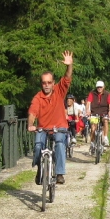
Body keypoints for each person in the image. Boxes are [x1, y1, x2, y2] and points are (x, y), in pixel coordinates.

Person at [28, 51, 74, 185]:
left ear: (53, 82)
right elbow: (32, 113)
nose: (46, 85)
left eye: (49, 82)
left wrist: (69, 65)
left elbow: (67, 77)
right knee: (37, 146)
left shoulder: (59, 91)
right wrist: (31, 124)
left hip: (59, 128)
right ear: (41, 84)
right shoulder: (38, 97)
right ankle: (39, 168)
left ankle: (59, 173)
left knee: (60, 143)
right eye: (44, 83)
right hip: (43, 128)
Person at [86, 79, 110, 146]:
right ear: (96, 87)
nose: (99, 88)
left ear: (103, 87)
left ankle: (105, 137)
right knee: (93, 129)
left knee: (105, 121)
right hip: (94, 113)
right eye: (98, 87)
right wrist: (87, 110)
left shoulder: (107, 94)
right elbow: (88, 103)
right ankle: (92, 143)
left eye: (100, 87)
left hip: (104, 113)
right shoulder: (92, 93)